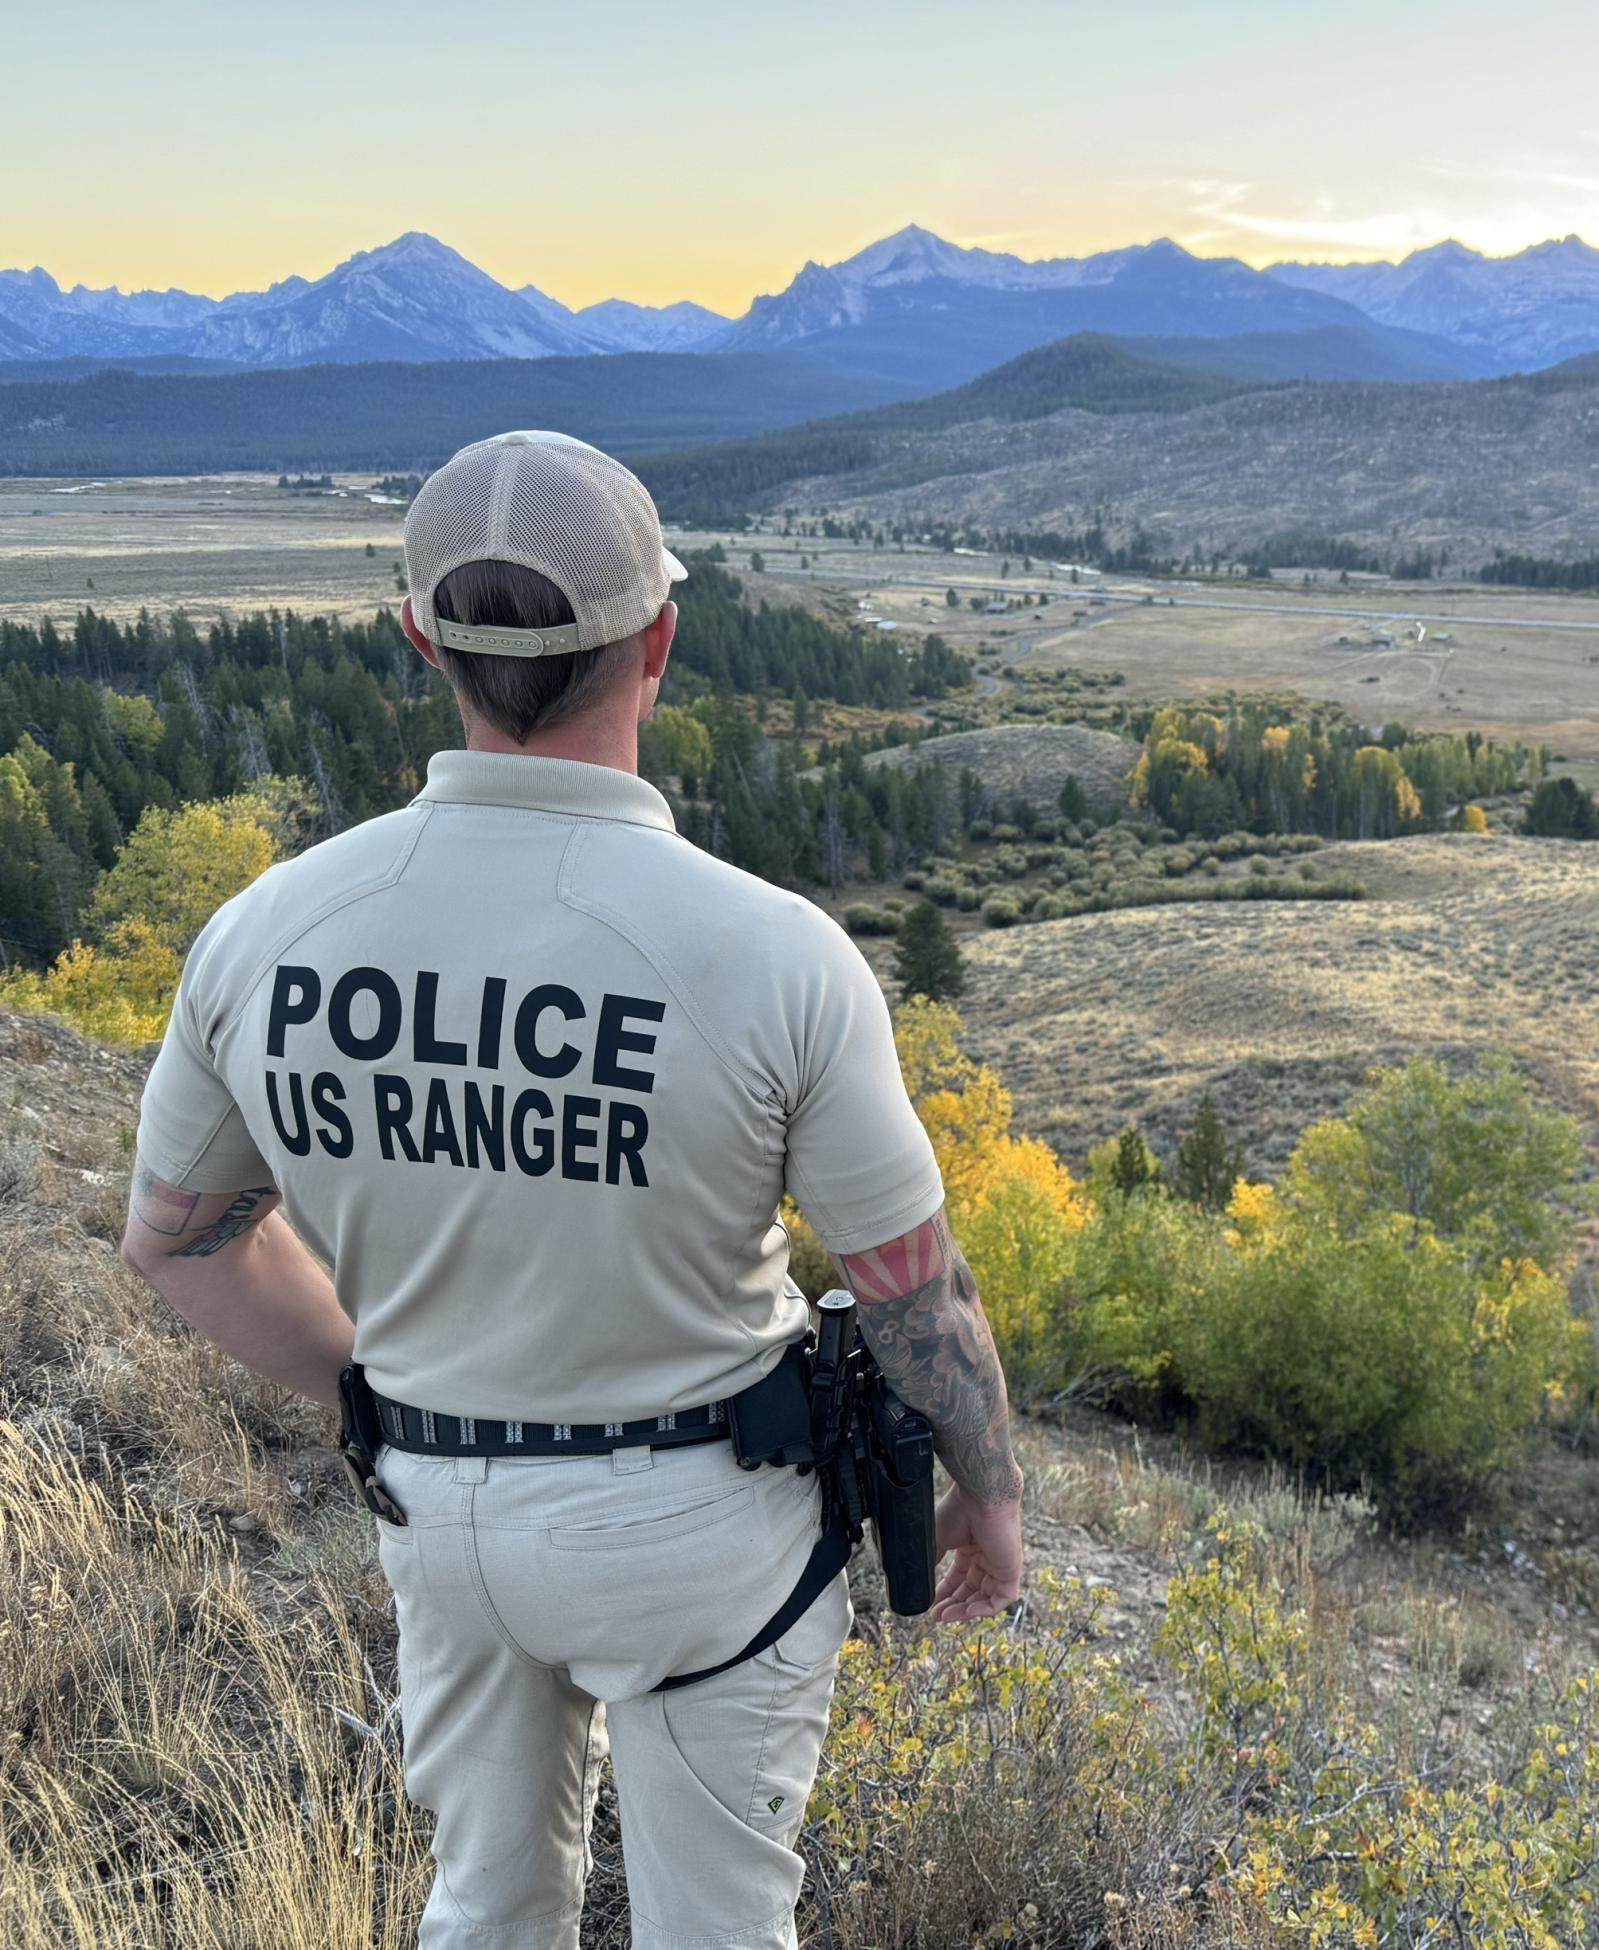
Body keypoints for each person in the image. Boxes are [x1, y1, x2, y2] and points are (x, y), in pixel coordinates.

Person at [120, 429, 1024, 1950]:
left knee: (485, 1908)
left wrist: (376, 1386)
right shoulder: (776, 952)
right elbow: (906, 1286)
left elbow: (178, 1234)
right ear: (657, 638)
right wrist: (988, 1492)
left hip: (438, 1514)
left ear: (423, 640)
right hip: (704, 1524)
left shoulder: (265, 932)